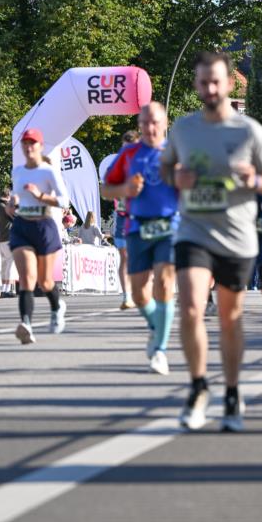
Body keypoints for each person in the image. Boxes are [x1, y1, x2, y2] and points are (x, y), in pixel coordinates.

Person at [160, 50, 262, 431]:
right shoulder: (183, 129)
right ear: (196, 85)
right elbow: (165, 167)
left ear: (229, 83)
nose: (210, 89)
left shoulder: (249, 131)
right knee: (191, 308)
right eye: (203, 82)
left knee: (230, 319)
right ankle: (198, 387)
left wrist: (255, 180)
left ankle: (231, 392)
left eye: (216, 81)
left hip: (236, 236)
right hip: (194, 232)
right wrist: (175, 177)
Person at [102, 102, 179, 375]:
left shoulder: (176, 153)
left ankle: (160, 351)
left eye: (154, 122)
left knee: (165, 283)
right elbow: (106, 190)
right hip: (137, 227)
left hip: (170, 226)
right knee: (138, 293)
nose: (149, 128)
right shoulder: (129, 153)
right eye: (144, 123)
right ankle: (157, 327)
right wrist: (125, 188)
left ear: (165, 124)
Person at [7, 127, 68, 343]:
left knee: (45, 281)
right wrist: (12, 203)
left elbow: (64, 201)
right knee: (26, 279)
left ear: (40, 146)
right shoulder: (18, 171)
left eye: (32, 143)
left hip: (43, 226)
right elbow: (16, 195)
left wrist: (40, 195)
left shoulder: (48, 172)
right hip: (22, 226)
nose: (28, 147)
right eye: (25, 143)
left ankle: (57, 307)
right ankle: (26, 324)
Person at [101, 130, 139, 309]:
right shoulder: (116, 168)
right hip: (123, 217)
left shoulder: (145, 164)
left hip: (143, 217)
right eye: (125, 149)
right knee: (124, 256)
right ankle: (126, 296)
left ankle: (143, 289)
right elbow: (106, 191)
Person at [0, 185, 16, 297]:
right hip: (9, 237)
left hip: (0, 238)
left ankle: (3, 289)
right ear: (8, 195)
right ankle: (7, 289)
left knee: (4, 265)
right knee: (10, 264)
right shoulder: (6, 206)